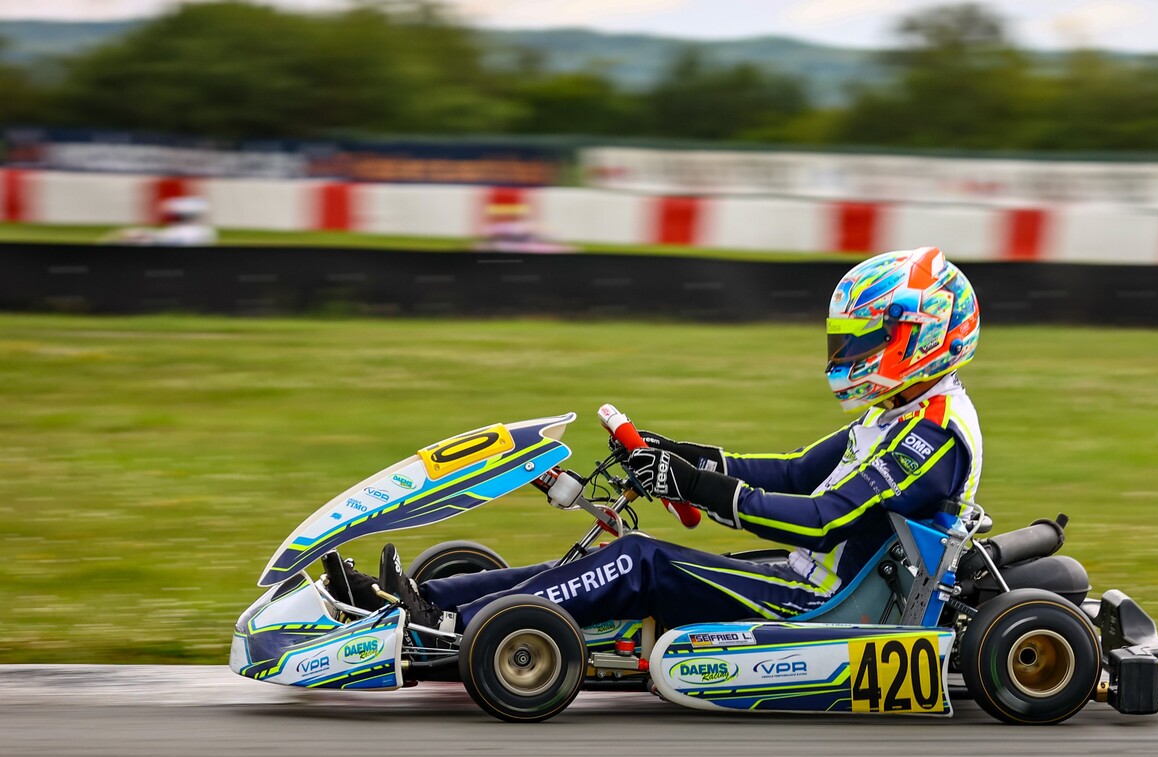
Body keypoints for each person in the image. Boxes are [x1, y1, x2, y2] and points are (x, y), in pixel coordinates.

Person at [356, 246, 984, 634]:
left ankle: (454, 627)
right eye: (847, 340)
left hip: (826, 607)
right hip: (808, 580)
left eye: (866, 339)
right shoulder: (900, 411)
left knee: (640, 561)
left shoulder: (933, 436)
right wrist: (673, 455)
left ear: (922, 336)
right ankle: (420, 602)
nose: (850, 354)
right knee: (598, 563)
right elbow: (793, 474)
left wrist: (694, 487)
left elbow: (822, 521)